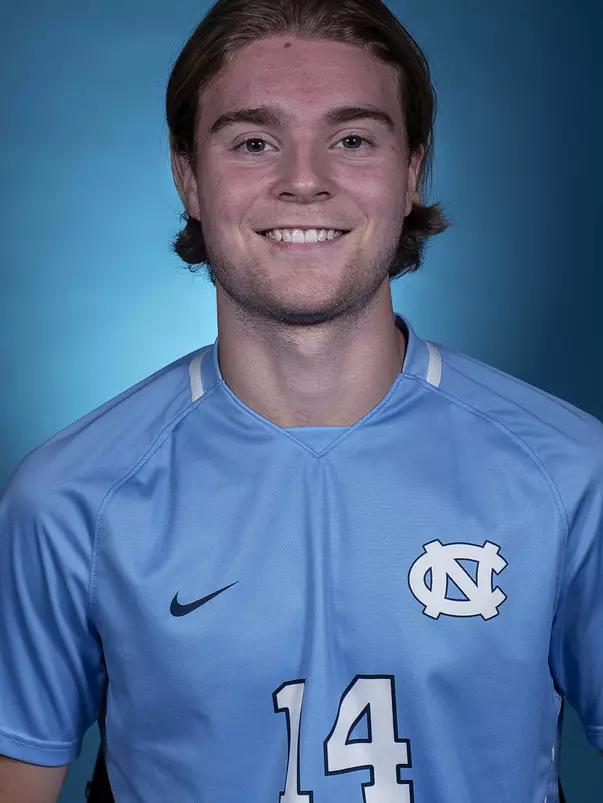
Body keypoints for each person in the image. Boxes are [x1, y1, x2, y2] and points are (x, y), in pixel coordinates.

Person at [0, 0, 601, 800]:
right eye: (254, 142)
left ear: (411, 169)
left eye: (351, 139)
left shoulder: (569, 473)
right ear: (189, 177)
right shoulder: (68, 498)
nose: (304, 181)